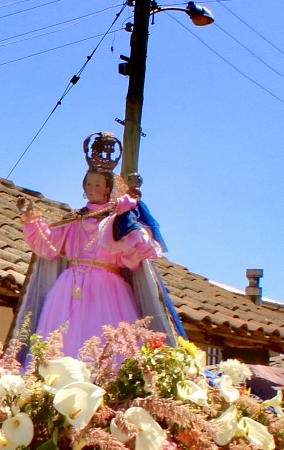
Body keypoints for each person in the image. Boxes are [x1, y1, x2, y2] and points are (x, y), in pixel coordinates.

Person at [9, 132, 180, 358]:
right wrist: (32, 220)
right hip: (68, 287)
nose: (91, 188)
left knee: (105, 342)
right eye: (88, 183)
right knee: (60, 340)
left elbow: (134, 252)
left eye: (97, 184)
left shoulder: (115, 222)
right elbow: (48, 247)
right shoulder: (74, 220)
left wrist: (126, 212)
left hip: (106, 289)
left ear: (107, 188)